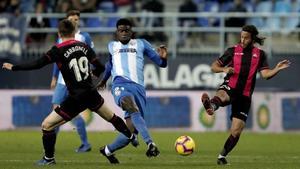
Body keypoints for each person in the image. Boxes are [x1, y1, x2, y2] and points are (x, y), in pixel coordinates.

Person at [2, 19, 135, 166]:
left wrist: (13, 67)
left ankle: (49, 159)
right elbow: (100, 67)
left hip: (76, 98)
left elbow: (37, 64)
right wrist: (94, 74)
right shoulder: (84, 46)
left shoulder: (57, 50)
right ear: (74, 32)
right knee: (112, 118)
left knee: (46, 125)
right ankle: (131, 136)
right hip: (91, 93)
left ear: (59, 33)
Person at [201, 25, 291, 165]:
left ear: (252, 38)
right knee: (223, 95)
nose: (242, 40)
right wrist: (224, 69)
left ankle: (221, 157)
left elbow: (266, 75)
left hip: (245, 96)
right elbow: (213, 67)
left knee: (236, 131)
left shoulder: (260, 54)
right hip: (230, 87)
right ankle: (211, 105)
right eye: (241, 37)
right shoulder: (232, 51)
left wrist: (277, 68)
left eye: (246, 38)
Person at [97, 18, 168, 164]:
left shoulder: (142, 44)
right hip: (120, 85)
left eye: (126, 30)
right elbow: (110, 65)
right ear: (117, 32)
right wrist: (104, 81)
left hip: (139, 89)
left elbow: (161, 63)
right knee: (132, 108)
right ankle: (150, 143)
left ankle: (108, 150)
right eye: (120, 30)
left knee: (129, 132)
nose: (123, 33)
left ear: (132, 32)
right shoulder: (112, 46)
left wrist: (164, 58)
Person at [50, 10, 94, 153]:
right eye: (71, 19)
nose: (74, 22)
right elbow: (57, 59)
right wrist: (54, 76)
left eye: (76, 19)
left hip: (77, 82)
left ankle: (85, 143)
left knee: (69, 113)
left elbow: (92, 57)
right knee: (56, 111)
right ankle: (52, 146)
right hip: (62, 81)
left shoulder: (84, 37)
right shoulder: (61, 37)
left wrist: (90, 71)